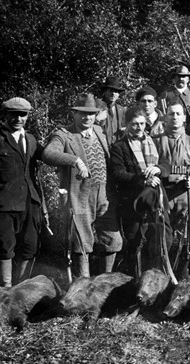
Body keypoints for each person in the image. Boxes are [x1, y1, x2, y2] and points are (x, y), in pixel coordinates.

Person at [42, 94, 123, 277]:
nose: (87, 118)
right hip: (80, 196)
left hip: (106, 194)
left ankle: (106, 282)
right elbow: (48, 154)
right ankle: (82, 286)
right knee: (82, 241)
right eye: (82, 114)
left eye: (91, 114)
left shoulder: (99, 131)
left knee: (112, 239)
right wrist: (75, 160)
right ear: (74, 114)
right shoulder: (63, 134)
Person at [110, 107, 172, 276]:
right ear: (127, 124)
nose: (139, 128)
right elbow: (118, 173)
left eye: (142, 124)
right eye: (135, 124)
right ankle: (134, 280)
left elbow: (167, 165)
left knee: (160, 239)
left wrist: (158, 169)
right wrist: (143, 180)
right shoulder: (119, 147)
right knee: (135, 241)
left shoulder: (155, 143)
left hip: (155, 201)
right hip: (133, 202)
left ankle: (156, 279)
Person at [0, 98, 44, 287]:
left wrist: (75, 161)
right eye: (13, 114)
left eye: (22, 114)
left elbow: (49, 155)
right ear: (5, 115)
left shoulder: (30, 139)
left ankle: (20, 289)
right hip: (3, 203)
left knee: (30, 246)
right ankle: (4, 291)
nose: (18, 118)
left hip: (29, 202)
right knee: (4, 248)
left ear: (27, 116)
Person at [153, 102, 190, 264]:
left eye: (178, 114)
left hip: (184, 192)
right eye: (171, 114)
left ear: (184, 118)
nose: (174, 117)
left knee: (186, 235)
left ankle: (182, 269)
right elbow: (150, 164)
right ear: (165, 117)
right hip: (162, 192)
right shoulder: (155, 141)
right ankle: (161, 270)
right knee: (161, 235)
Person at [95, 76, 126, 147]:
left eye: (116, 91)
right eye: (110, 90)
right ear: (105, 91)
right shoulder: (97, 106)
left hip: (117, 148)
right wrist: (97, 120)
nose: (113, 93)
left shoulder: (122, 110)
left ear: (118, 94)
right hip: (101, 146)